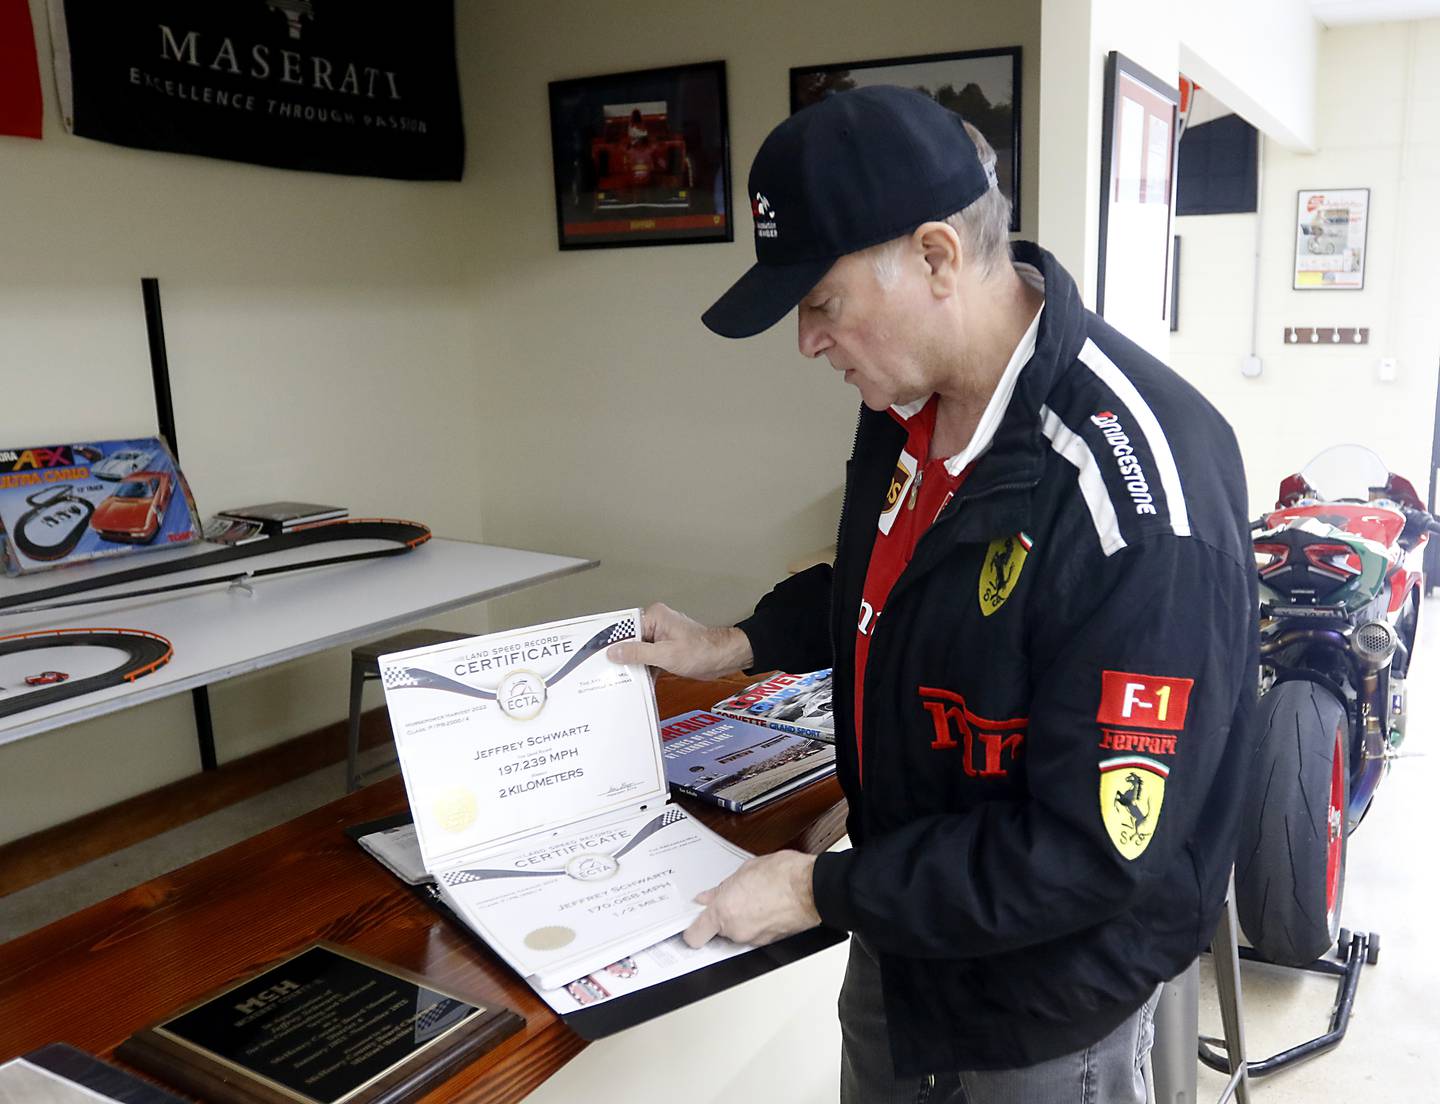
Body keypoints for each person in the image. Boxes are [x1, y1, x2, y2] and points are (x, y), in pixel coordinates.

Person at [608, 86, 1257, 1103]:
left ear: (936, 259)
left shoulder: (1140, 485)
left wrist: (823, 891)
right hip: (903, 931)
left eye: (820, 304)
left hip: (1044, 996)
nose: (806, 342)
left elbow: (1094, 848)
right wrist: (734, 642)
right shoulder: (905, 400)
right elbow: (895, 585)